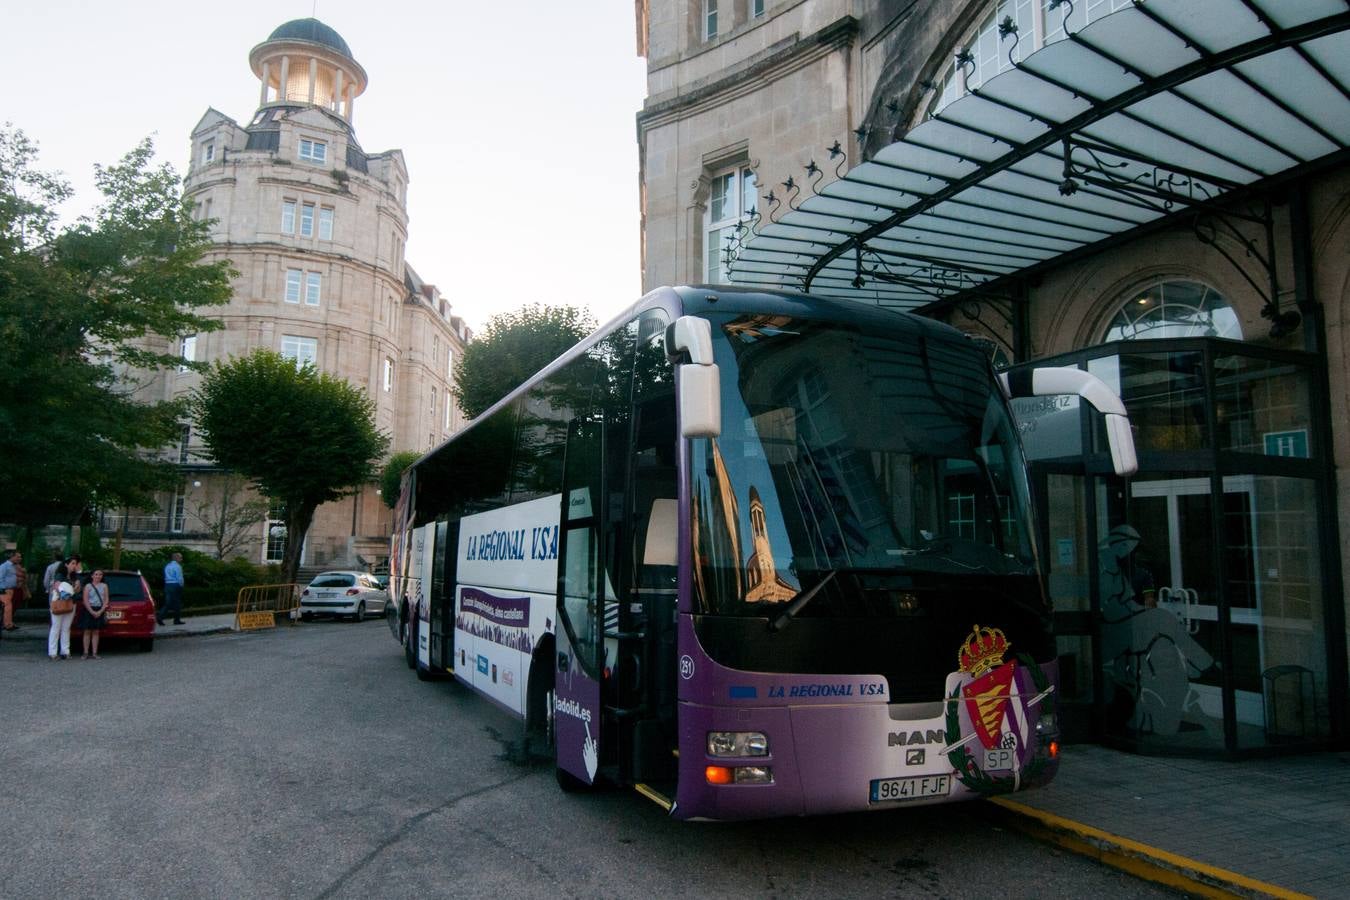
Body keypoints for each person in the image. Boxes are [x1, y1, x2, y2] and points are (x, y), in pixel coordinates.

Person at [79, 569, 110, 659]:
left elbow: (106, 599)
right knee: (87, 631)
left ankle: (95, 652)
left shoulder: (104, 586)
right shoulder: (88, 586)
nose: (98, 576)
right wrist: (91, 611)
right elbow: (85, 600)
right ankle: (85, 652)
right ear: (92, 576)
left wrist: (100, 611)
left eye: (100, 574)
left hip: (99, 609)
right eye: (96, 574)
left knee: (96, 631)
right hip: (89, 609)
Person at [47, 567, 76, 660]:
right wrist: (64, 596)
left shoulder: (74, 577)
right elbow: (57, 588)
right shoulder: (60, 576)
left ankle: (65, 651)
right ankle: (52, 652)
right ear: (66, 565)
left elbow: (76, 591)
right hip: (59, 602)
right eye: (72, 563)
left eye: (76, 563)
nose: (75, 566)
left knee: (66, 628)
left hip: (70, 603)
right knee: (56, 627)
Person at [161, 552, 185, 625]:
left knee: (168, 603)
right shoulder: (177, 566)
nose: (181, 559)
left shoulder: (167, 566)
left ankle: (160, 617)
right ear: (176, 558)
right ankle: (176, 620)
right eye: (180, 557)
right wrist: (181, 585)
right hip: (175, 585)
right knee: (177, 603)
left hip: (167, 585)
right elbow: (179, 577)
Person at [0, 549, 19, 631]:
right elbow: (0, 577)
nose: (18, 558)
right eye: (17, 556)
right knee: (7, 607)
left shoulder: (13, 566)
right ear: (12, 557)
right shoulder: (4, 566)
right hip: (6, 589)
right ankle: (7, 624)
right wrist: (2, 588)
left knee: (8, 607)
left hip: (11, 589)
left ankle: (9, 623)